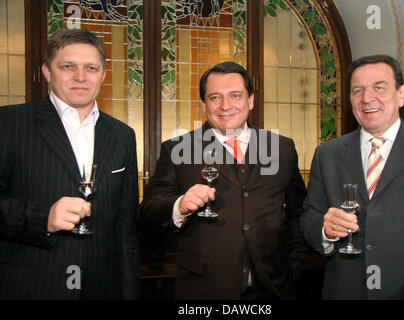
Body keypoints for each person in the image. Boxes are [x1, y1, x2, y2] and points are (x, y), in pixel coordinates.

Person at [138, 61, 309, 300]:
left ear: (250, 100)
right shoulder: (177, 149)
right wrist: (180, 206)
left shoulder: (281, 148)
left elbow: (299, 212)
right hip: (204, 290)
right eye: (215, 97)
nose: (226, 106)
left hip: (273, 288)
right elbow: (147, 213)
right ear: (204, 104)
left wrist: (294, 264)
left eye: (235, 95)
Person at [0, 29, 140, 299]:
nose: (80, 76)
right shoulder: (9, 123)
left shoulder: (123, 135)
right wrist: (44, 218)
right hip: (31, 286)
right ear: (47, 72)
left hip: (102, 288)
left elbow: (127, 232)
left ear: (103, 74)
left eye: (90, 67)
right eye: (68, 66)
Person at [300, 54, 404, 300]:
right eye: (357, 90)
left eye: (379, 88)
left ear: (401, 94)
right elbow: (309, 217)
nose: (367, 98)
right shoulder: (327, 154)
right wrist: (324, 229)